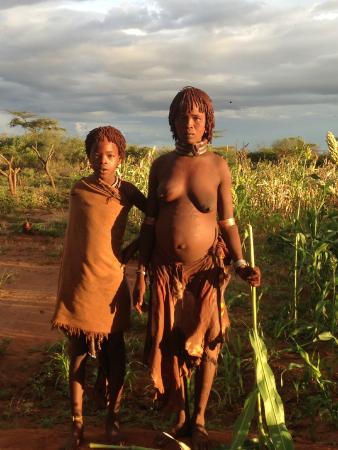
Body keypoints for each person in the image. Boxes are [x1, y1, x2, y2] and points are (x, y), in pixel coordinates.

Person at [133, 86, 261, 450]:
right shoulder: (161, 165)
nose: (189, 123)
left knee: (210, 341)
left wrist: (239, 263)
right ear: (172, 121)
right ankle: (180, 416)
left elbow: (228, 222)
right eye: (182, 117)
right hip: (165, 271)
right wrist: (140, 274)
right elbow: (149, 223)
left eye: (196, 118)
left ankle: (201, 419)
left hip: (206, 269)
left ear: (207, 123)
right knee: (171, 342)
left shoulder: (218, 166)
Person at [52, 126, 146, 449]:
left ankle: (112, 418)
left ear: (120, 157)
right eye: (96, 154)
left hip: (111, 283)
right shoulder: (80, 190)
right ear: (88, 156)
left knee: (116, 352)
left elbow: (156, 220)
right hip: (80, 284)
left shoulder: (129, 193)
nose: (102, 160)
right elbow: (75, 243)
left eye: (109, 155)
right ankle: (76, 423)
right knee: (78, 354)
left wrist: (132, 251)